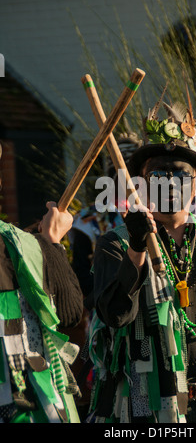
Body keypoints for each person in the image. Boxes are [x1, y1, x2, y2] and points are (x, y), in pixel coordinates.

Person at [88, 95, 196, 423]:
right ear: (139, 183)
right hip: (151, 407)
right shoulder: (115, 242)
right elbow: (115, 315)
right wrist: (138, 246)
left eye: (180, 175)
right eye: (158, 175)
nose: (169, 183)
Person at [0, 143, 84, 423]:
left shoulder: (19, 244)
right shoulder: (21, 243)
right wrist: (50, 242)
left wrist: (51, 244)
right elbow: (70, 314)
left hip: (31, 403)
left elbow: (70, 314)